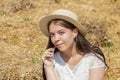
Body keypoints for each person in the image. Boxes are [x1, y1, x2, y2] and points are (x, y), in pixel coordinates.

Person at [39, 9, 107, 80]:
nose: (56, 39)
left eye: (61, 33)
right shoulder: (53, 61)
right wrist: (48, 67)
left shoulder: (93, 58)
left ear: (74, 32)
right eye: (52, 35)